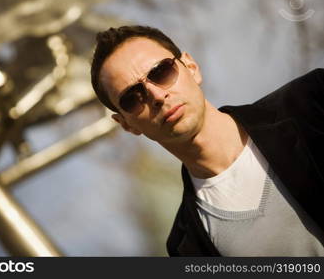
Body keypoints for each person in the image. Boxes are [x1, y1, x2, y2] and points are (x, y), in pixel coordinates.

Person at [90, 25, 324, 256]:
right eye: (132, 97)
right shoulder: (188, 248)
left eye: (161, 71)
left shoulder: (313, 100)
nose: (157, 96)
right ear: (126, 124)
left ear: (191, 67)